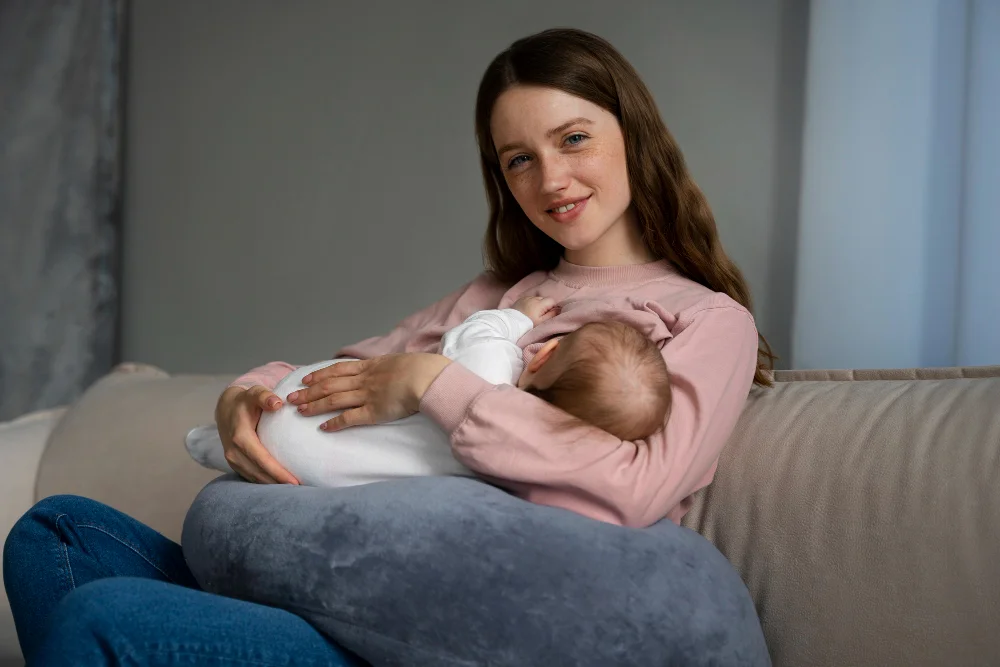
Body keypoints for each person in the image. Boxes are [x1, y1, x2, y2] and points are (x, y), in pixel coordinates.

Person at [2, 27, 773, 666]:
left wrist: (434, 384)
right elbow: (350, 367)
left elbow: (637, 485)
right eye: (519, 160)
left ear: (631, 135)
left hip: (443, 620)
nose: (552, 178)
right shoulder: (493, 293)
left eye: (574, 139)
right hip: (329, 569)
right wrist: (248, 393)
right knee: (56, 530)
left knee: (98, 618)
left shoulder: (706, 321)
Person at [185, 295, 672, 487]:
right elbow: (360, 357)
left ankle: (205, 442)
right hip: (315, 477)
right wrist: (242, 391)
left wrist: (518, 316)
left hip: (299, 406)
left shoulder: (494, 360)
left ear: (543, 355)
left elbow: (475, 332)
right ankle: (218, 438)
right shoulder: (512, 458)